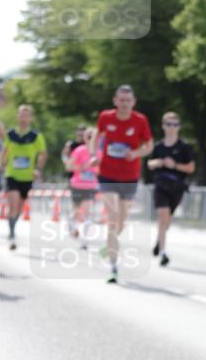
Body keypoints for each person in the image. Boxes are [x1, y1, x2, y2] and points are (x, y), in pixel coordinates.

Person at [90, 85, 153, 283]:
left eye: (128, 100)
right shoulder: (106, 117)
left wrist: (135, 153)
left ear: (133, 102)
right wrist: (94, 155)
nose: (125, 104)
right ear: (115, 101)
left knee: (122, 222)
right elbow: (96, 136)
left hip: (130, 176)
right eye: (121, 100)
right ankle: (113, 266)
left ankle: (109, 245)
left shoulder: (140, 120)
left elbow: (149, 145)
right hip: (107, 174)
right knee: (113, 216)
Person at [147, 111, 195, 266]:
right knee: (163, 215)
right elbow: (149, 164)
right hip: (160, 185)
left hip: (177, 187)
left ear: (179, 127)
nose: (171, 128)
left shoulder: (184, 147)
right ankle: (163, 253)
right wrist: (161, 162)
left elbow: (191, 168)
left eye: (174, 124)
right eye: (168, 124)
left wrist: (174, 165)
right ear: (163, 126)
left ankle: (158, 242)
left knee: (167, 220)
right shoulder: (158, 146)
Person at [1, 105, 47, 250]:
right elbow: (5, 151)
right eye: (21, 115)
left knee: (19, 208)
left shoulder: (36, 136)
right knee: (12, 204)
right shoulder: (10, 135)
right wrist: (2, 165)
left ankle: (13, 225)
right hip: (12, 174)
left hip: (27, 177)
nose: (23, 118)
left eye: (26, 116)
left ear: (30, 118)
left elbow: (42, 153)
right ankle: (12, 235)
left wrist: (38, 169)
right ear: (17, 117)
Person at [65, 127, 99, 247]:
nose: (91, 139)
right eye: (88, 136)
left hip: (91, 186)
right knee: (75, 212)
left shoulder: (99, 152)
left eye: (93, 136)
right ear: (84, 138)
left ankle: (83, 240)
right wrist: (81, 167)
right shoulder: (79, 150)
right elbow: (69, 166)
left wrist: (96, 169)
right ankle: (71, 222)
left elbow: (102, 170)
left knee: (87, 212)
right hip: (77, 185)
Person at [61, 124, 87, 236]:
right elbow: (64, 155)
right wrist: (68, 163)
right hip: (74, 177)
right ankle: (73, 225)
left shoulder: (89, 145)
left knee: (84, 204)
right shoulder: (71, 144)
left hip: (88, 179)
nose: (81, 134)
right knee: (76, 203)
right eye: (79, 132)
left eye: (83, 132)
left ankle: (75, 223)